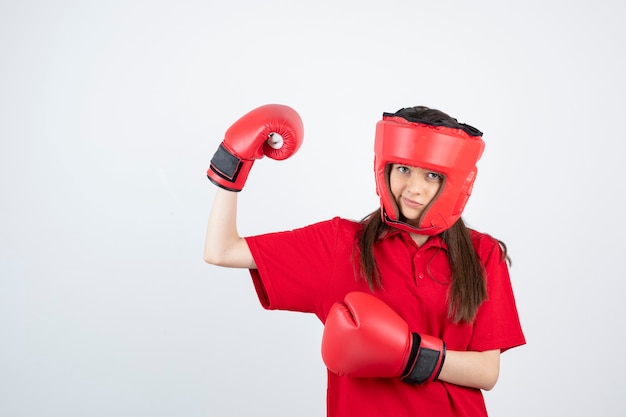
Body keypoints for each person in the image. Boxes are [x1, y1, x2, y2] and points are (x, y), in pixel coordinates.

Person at [203, 103, 525, 417]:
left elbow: (486, 372)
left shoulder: (482, 254)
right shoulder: (340, 245)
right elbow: (222, 250)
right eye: (403, 169)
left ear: (454, 182)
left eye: (431, 175)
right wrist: (233, 162)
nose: (414, 188)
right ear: (383, 168)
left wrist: (408, 354)